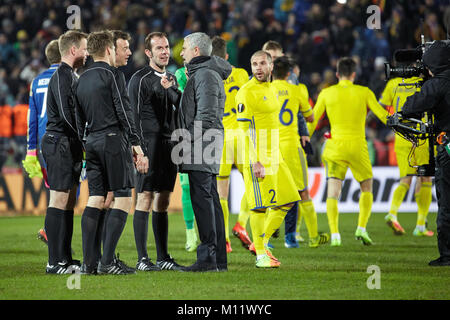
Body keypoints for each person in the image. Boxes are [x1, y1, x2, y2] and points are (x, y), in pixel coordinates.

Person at [75, 30, 148, 275]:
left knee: (95, 199)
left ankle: (89, 263)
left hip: (91, 142)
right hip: (113, 140)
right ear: (108, 49)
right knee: (124, 197)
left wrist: (86, 143)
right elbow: (123, 109)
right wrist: (136, 144)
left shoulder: (82, 78)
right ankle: (107, 263)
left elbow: (78, 119)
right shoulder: (113, 74)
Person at [307, 57, 389, 247]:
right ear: (354, 74)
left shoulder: (327, 93)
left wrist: (303, 138)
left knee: (333, 191)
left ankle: (335, 234)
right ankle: (361, 227)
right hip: (358, 146)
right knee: (367, 187)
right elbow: (382, 114)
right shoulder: (364, 92)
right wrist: (401, 124)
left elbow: (313, 120)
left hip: (335, 146)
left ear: (337, 74)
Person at [235, 50, 301, 268]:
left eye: (262, 63)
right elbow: (244, 132)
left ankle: (258, 243)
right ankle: (262, 255)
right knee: (259, 208)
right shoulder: (247, 92)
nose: (258, 68)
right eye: (254, 64)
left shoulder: (272, 89)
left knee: (289, 200)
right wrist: (254, 160)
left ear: (271, 66)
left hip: (275, 156)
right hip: (257, 158)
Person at [173, 32, 231, 272]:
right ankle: (217, 260)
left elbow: (205, 117)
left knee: (203, 200)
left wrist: (187, 141)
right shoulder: (205, 72)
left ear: (196, 51)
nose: (181, 52)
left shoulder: (205, 74)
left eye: (185, 47)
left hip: (202, 144)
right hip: (205, 142)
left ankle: (207, 259)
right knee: (210, 200)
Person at [128, 32, 182, 271]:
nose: (164, 52)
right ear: (148, 53)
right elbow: (134, 117)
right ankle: (142, 259)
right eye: (159, 48)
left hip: (168, 144)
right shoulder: (139, 79)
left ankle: (163, 257)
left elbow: (178, 109)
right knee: (145, 197)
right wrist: (139, 150)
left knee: (164, 200)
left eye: (167, 47)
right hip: (148, 144)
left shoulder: (172, 78)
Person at [41, 30, 88, 274]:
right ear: (73, 50)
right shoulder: (62, 76)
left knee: (68, 201)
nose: (87, 52)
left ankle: (65, 258)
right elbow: (68, 116)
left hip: (68, 144)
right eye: (84, 47)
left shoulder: (71, 75)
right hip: (59, 141)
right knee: (58, 200)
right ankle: (53, 262)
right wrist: (84, 139)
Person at [271, 56, 330, 248]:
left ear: (272, 71)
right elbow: (311, 117)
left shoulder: (266, 90)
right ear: (289, 73)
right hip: (291, 146)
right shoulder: (296, 90)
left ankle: (264, 240)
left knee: (271, 193)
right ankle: (309, 237)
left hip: (270, 147)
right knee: (301, 191)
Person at [402, 40, 450, 266]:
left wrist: (423, 85)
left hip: (447, 148)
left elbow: (410, 106)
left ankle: (447, 255)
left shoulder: (437, 84)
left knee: (447, 202)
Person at [263, 40, 310, 245]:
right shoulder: (258, 80)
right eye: (270, 57)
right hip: (270, 142)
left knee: (292, 188)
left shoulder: (289, 83)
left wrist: (304, 132)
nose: (272, 61)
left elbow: (298, 111)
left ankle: (289, 234)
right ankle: (270, 234)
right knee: (271, 189)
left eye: (276, 58)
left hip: (285, 141)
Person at [211, 36, 252, 254]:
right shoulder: (242, 74)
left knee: (221, 192)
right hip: (241, 135)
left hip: (219, 138)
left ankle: (224, 239)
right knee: (253, 183)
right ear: (226, 56)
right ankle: (242, 223)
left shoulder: (208, 75)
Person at [379, 72, 434, 237]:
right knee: (424, 178)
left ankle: (393, 212)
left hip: (402, 137)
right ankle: (420, 225)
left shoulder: (394, 83)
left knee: (406, 179)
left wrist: (391, 123)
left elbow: (381, 106)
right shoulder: (424, 82)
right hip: (421, 135)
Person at [22, 40, 60, 245]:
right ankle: (52, 234)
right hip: (62, 140)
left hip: (43, 144)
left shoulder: (36, 81)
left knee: (55, 189)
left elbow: (32, 118)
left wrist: (31, 149)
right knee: (64, 191)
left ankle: (51, 231)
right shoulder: (68, 77)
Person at [174, 66, 199, 253]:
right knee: (186, 186)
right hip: (183, 134)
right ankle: (191, 233)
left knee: (207, 186)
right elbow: (182, 99)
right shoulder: (180, 74)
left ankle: (214, 234)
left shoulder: (208, 70)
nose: (183, 54)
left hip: (206, 132)